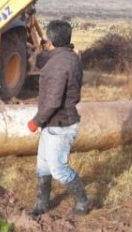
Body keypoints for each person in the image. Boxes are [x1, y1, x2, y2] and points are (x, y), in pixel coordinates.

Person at [27, 20, 90, 217]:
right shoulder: (70, 57)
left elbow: (53, 101)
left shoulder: (57, 65)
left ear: (51, 40)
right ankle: (41, 205)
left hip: (60, 124)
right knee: (43, 166)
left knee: (57, 168)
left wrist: (35, 121)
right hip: (55, 123)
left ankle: (83, 201)